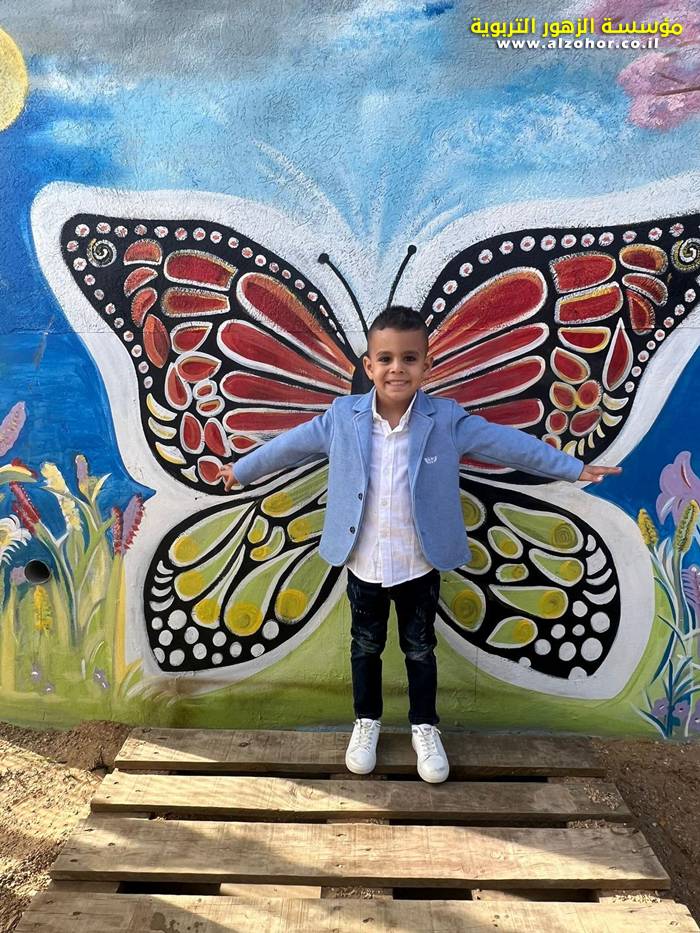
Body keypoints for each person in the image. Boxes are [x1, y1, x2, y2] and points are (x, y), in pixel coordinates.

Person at [216, 306, 621, 783]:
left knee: (420, 649)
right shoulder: (342, 418)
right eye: (385, 359)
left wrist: (573, 468)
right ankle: (366, 722)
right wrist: (241, 470)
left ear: (426, 366)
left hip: (419, 563)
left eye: (409, 359)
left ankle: (424, 727)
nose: (397, 369)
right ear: (369, 365)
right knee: (365, 646)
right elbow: (289, 446)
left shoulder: (445, 419)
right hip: (364, 562)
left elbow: (507, 445)